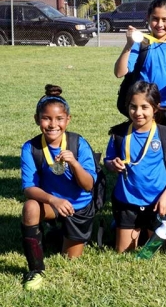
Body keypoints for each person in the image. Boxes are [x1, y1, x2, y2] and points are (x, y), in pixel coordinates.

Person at [19, 85, 97, 290]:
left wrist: (75, 164)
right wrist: (54, 200)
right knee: (30, 207)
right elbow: (28, 188)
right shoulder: (31, 147)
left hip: (79, 207)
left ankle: (67, 233)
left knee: (70, 260)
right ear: (37, 119)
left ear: (68, 120)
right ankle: (35, 269)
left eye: (59, 119)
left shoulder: (78, 143)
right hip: (52, 204)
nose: (53, 124)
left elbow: (89, 185)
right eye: (46, 118)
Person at [104, 81, 166, 254]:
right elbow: (108, 160)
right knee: (124, 252)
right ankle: (124, 225)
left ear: (155, 108)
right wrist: (112, 164)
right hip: (127, 202)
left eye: (144, 107)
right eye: (133, 107)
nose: (138, 113)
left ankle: (159, 225)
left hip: (157, 203)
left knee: (155, 252)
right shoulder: (119, 134)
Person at [114, 0, 166, 132]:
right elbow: (119, 72)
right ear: (148, 18)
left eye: (165, 19)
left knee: (165, 148)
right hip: (145, 110)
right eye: (155, 19)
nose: (159, 24)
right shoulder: (141, 43)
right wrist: (128, 45)